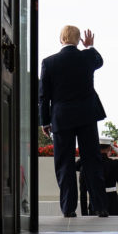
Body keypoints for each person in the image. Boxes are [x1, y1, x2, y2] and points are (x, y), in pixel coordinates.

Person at [40, 25, 108, 217]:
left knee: (65, 163)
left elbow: (44, 96)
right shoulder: (87, 58)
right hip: (87, 115)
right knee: (92, 160)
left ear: (61, 39)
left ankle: (68, 208)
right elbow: (99, 61)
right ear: (79, 40)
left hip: (62, 117)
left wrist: (45, 121)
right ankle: (100, 206)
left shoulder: (49, 62)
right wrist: (90, 47)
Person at [80, 137, 118, 217]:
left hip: (95, 204)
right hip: (112, 203)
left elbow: (83, 191)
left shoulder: (88, 166)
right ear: (109, 148)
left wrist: (84, 213)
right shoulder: (115, 164)